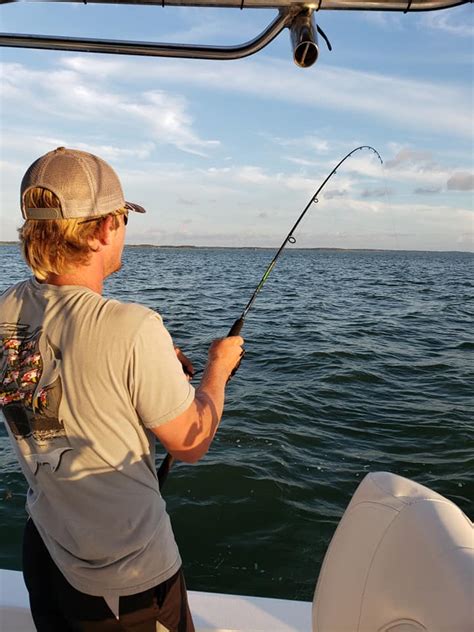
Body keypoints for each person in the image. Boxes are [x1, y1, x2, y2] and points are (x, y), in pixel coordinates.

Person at [0, 147, 244, 631]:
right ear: (103, 229)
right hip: (123, 579)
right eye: (122, 220)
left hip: (46, 549)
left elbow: (45, 403)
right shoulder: (132, 328)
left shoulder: (6, 307)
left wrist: (145, 370)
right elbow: (191, 443)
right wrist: (218, 369)